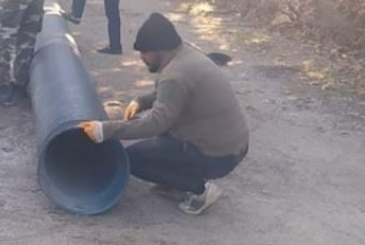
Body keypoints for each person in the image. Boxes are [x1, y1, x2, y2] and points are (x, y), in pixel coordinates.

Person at [79, 13, 249, 215]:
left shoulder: (175, 74)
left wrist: (104, 130)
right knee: (161, 139)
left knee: (131, 159)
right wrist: (142, 101)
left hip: (218, 155)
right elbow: (176, 93)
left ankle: (199, 190)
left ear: (159, 50)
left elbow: (156, 123)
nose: (142, 58)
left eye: (144, 52)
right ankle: (175, 182)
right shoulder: (186, 55)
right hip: (232, 146)